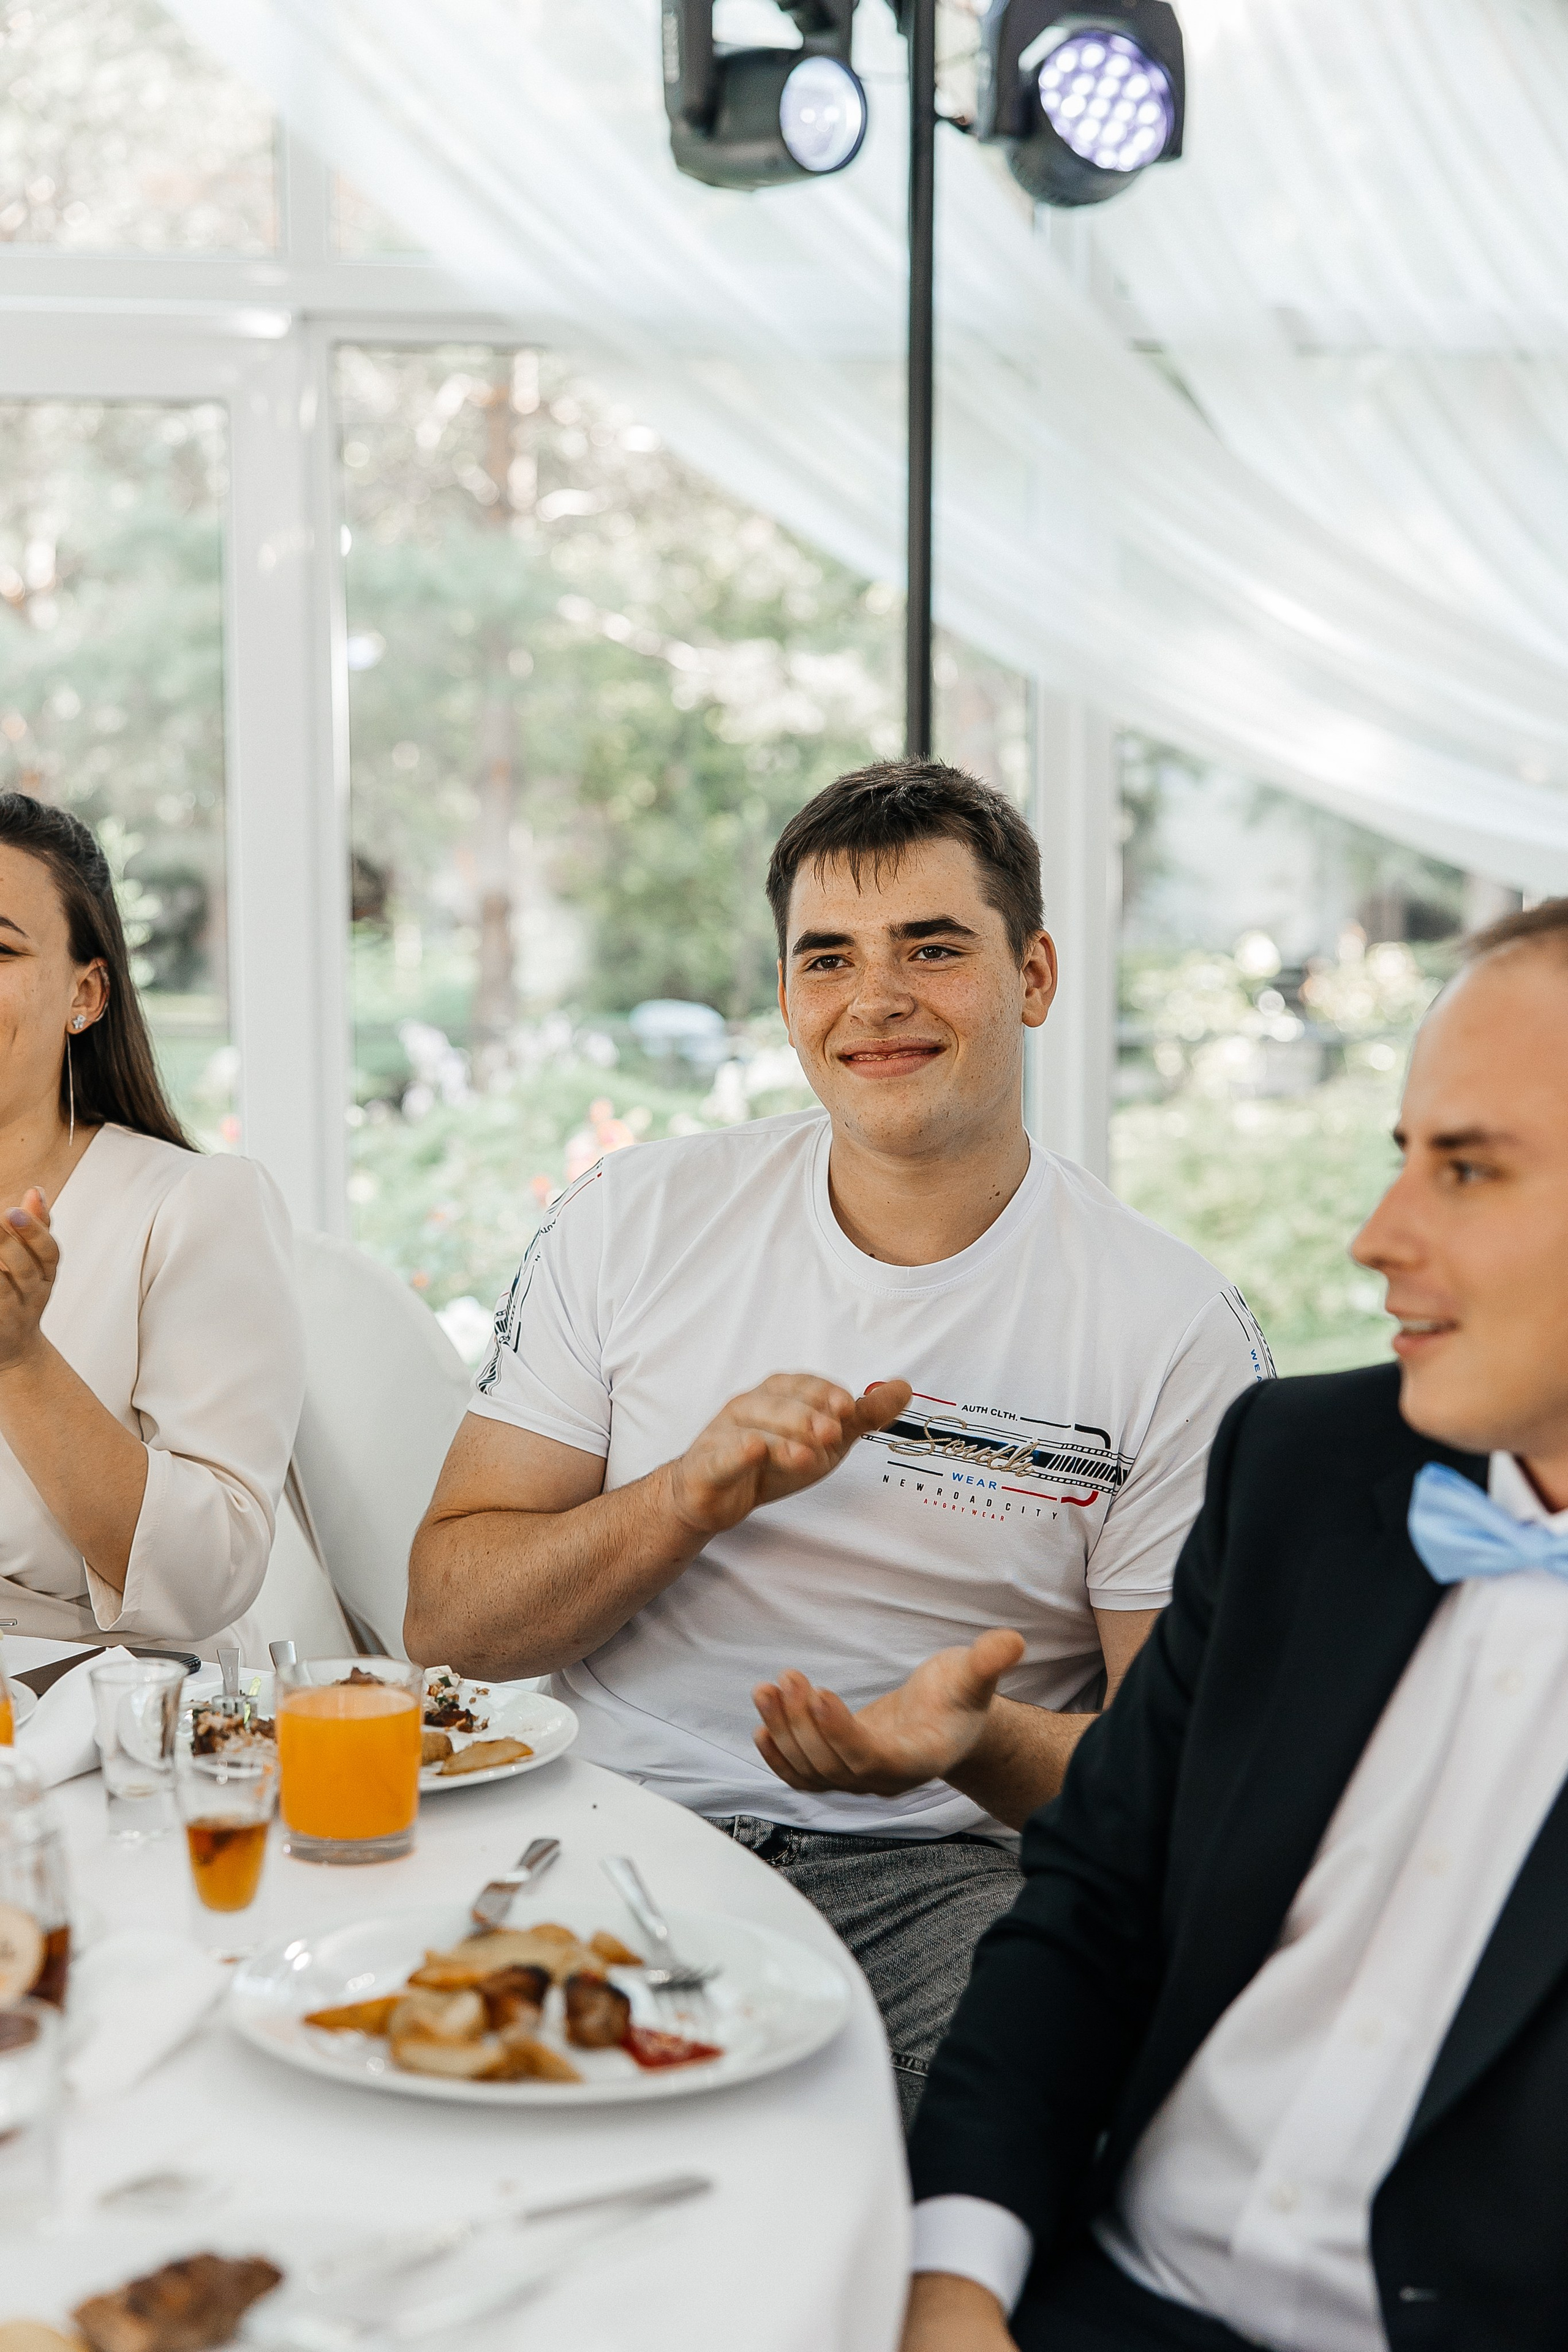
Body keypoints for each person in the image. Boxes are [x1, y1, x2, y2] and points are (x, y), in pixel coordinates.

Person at [407, 760, 1270, 2119]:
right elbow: (450, 1626)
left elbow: (1177, 1781)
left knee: (987, 2159)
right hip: (614, 1818)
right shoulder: (630, 1218)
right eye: (829, 959)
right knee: (458, 2112)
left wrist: (963, 1740)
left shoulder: (1172, 1328)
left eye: (932, 949)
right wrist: (687, 1496)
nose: (875, 1000)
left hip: (943, 1874)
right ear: (786, 995)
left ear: (1033, 975)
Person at [903, 895, 1568, 2351]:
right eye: (1401, 1157)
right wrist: (952, 2281)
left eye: (1465, 1171)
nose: (1373, 1238)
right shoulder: (1303, 1472)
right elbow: (1088, 1907)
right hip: (1085, 2293)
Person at [0, 794, 304, 1654]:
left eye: (0, 947)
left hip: (100, 1717)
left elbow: (212, 1573)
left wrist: (21, 1363)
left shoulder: (193, 1207)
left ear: (85, 994)